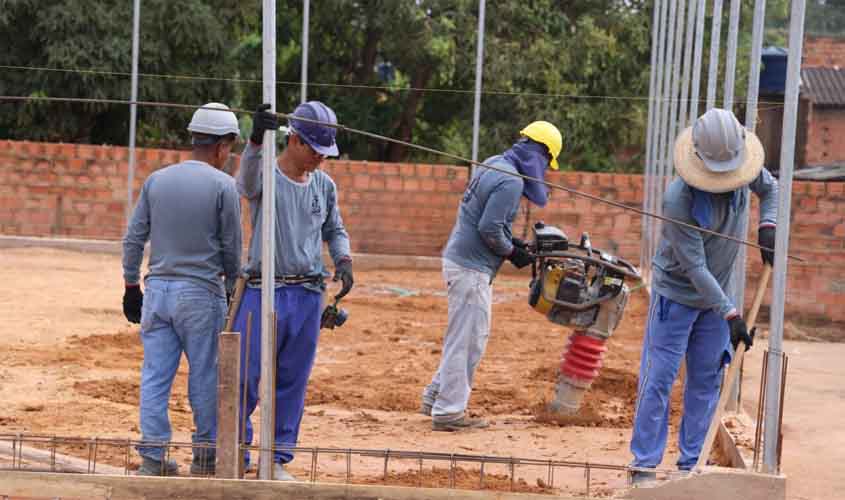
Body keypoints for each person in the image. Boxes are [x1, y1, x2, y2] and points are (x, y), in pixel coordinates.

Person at [629, 108, 778, 482]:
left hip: (719, 300)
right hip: (677, 297)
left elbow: (771, 188)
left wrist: (768, 226)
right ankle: (644, 465)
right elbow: (695, 269)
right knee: (658, 379)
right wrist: (731, 314)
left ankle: (691, 467)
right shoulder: (679, 199)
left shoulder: (745, 168)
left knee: (707, 379)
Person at [232, 101, 353, 480]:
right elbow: (244, 184)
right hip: (262, 288)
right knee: (244, 376)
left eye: (325, 151)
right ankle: (238, 453)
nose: (320, 158)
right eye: (314, 149)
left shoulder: (324, 184)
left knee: (292, 380)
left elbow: (334, 228)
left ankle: (278, 459)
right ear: (294, 140)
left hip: (306, 296)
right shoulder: (265, 175)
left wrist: (343, 258)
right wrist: (253, 141)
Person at [122, 103, 243, 476]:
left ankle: (153, 458)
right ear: (222, 146)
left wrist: (130, 286)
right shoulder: (224, 185)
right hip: (200, 294)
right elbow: (231, 249)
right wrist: (230, 293)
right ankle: (205, 457)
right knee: (205, 376)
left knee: (155, 375)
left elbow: (133, 238)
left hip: (157, 291)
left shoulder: (157, 180)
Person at [421, 121, 563, 431]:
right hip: (471, 268)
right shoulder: (511, 180)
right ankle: (448, 413)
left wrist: (513, 242)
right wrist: (512, 253)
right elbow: (488, 229)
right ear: (540, 153)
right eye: (546, 163)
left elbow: (487, 221)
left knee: (462, 337)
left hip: (461, 260)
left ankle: (435, 397)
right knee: (469, 341)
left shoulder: (493, 164)